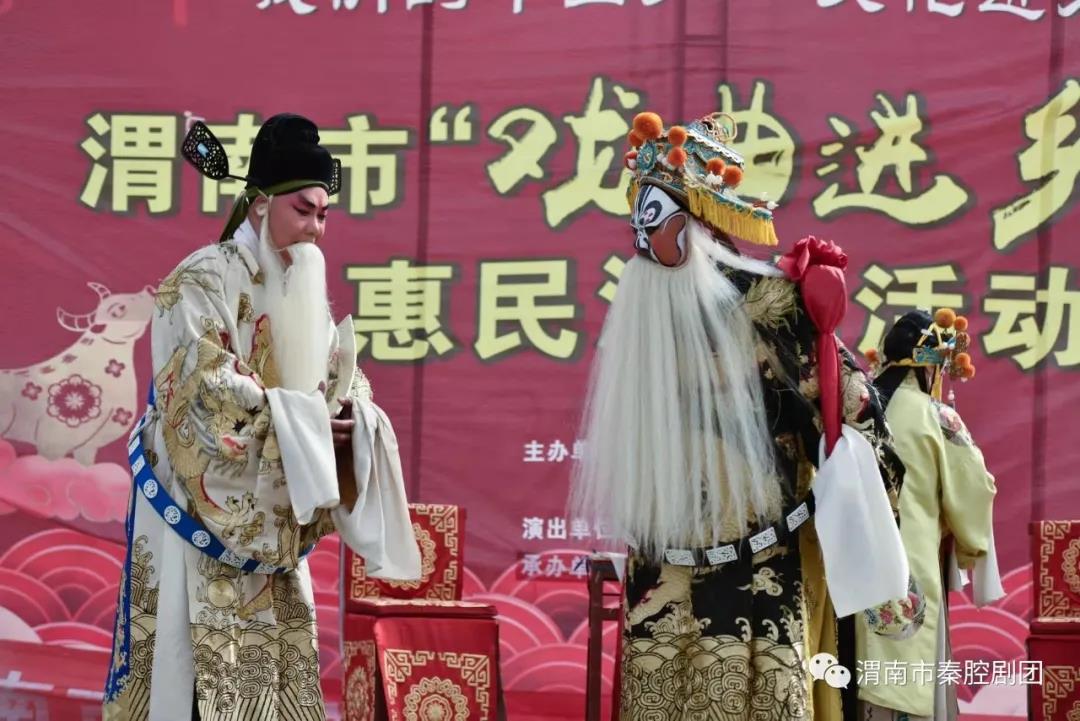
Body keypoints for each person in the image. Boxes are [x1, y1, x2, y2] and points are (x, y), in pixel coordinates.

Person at [570, 110, 909, 721]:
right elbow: (854, 409)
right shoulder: (769, 301)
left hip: (660, 563)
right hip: (758, 563)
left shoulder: (640, 313)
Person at [102, 113, 420, 721]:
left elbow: (341, 376)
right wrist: (306, 426)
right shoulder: (200, 279)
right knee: (186, 675)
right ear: (260, 203)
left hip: (271, 532)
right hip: (193, 515)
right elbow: (205, 394)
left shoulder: (303, 291)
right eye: (303, 210)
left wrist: (351, 418)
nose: (315, 229)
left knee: (271, 683)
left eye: (323, 215)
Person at [857, 310, 1001, 721]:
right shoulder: (936, 416)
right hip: (912, 561)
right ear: (928, 367)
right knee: (910, 674)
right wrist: (968, 539)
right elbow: (976, 486)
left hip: (856, 565)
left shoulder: (859, 410)